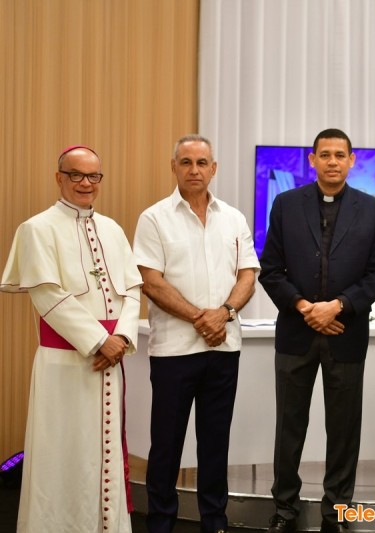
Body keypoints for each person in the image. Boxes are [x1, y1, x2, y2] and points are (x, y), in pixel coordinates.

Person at [0, 146, 142, 532]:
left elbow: (132, 289)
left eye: (93, 176)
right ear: (58, 178)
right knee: (62, 456)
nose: (85, 183)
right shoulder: (36, 229)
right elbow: (47, 295)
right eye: (76, 175)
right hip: (65, 365)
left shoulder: (112, 229)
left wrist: (121, 337)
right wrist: (98, 340)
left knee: (104, 456)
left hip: (109, 362)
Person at [259, 128, 375, 533]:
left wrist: (338, 306)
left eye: (339, 155)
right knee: (289, 426)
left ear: (352, 160)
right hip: (295, 333)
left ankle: (337, 509)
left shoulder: (374, 210)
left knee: (344, 428)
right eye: (325, 154)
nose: (332, 161)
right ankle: (285, 508)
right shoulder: (286, 204)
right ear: (312, 160)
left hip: (346, 333)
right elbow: (271, 270)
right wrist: (305, 308)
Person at [133, 135, 260, 533]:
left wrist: (224, 314)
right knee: (166, 445)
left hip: (224, 349)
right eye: (185, 162)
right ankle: (161, 523)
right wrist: (201, 318)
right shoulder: (154, 218)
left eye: (202, 162)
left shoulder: (234, 218)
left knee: (215, 443)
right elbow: (150, 280)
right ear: (174, 167)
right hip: (173, 352)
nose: (194, 170)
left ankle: (214, 522)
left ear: (213, 168)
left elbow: (248, 275)